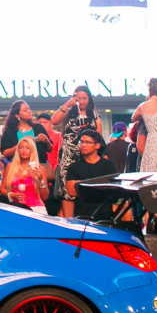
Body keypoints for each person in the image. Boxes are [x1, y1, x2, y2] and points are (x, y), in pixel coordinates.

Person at [53, 86, 101, 217]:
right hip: (67, 156)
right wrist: (68, 103)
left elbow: (99, 140)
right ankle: (68, 222)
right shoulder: (69, 114)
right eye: (79, 98)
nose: (82, 101)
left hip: (86, 157)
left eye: (84, 98)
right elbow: (54, 120)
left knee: (85, 189)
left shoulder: (95, 117)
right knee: (66, 192)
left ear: (89, 99)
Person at [67, 129, 119, 219]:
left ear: (97, 145)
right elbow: (71, 191)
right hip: (81, 215)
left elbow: (112, 191)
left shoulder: (108, 164)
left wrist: (81, 186)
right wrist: (100, 187)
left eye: (88, 142)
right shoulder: (74, 166)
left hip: (105, 215)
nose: (83, 145)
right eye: (81, 142)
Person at [1, 138, 49, 215]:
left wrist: (40, 179)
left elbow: (45, 197)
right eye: (21, 148)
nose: (24, 151)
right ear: (18, 150)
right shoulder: (10, 167)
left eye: (27, 148)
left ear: (32, 151)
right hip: (16, 208)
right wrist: (11, 195)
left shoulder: (40, 169)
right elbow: (2, 189)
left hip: (36, 209)